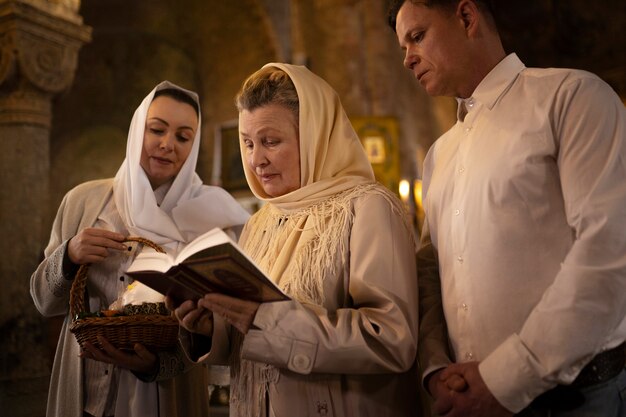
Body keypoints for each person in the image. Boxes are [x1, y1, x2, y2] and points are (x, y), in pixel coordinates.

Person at [388, 0, 626, 416]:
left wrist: (505, 378)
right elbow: (430, 271)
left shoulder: (571, 96)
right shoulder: (439, 154)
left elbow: (609, 249)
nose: (407, 59)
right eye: (402, 47)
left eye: (417, 36)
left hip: (577, 399)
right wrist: (437, 368)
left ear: (466, 17)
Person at [167, 63, 421, 417]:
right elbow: (253, 341)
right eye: (248, 143)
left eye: (271, 141)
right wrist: (214, 326)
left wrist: (267, 321)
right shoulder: (259, 223)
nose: (256, 159)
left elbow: (390, 338)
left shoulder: (367, 207)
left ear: (315, 135)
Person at [30, 80, 250, 417]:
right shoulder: (84, 201)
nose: (167, 145)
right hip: (85, 389)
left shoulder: (210, 217)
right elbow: (44, 301)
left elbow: (220, 327)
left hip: (164, 393)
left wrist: (158, 364)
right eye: (156, 130)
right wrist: (70, 254)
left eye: (182, 136)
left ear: (194, 145)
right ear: (137, 131)